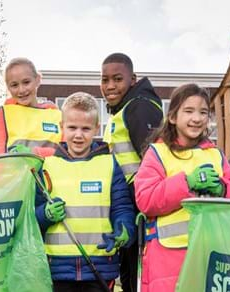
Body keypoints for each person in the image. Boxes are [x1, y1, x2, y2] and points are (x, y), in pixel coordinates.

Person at [134, 83, 230, 292]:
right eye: (189, 111)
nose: (197, 118)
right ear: (173, 117)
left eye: (203, 112)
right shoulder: (158, 153)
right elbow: (146, 200)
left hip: (212, 254)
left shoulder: (215, 154)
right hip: (168, 259)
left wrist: (223, 189)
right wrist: (187, 183)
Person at [34, 92, 136, 292]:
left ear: (97, 128)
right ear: (62, 127)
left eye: (86, 129)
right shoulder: (47, 165)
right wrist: (44, 214)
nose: (78, 135)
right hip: (56, 269)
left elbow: (122, 207)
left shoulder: (109, 163)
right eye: (72, 128)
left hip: (100, 267)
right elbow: (31, 217)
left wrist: (124, 230)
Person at [100, 52, 163, 292]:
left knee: (134, 278)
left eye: (117, 79)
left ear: (133, 79)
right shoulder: (124, 109)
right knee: (126, 276)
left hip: (139, 205)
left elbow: (153, 159)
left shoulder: (140, 108)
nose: (110, 86)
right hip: (127, 203)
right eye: (105, 80)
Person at [0, 57, 62, 157]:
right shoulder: (2, 116)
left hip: (53, 172)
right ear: (8, 88)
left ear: (38, 80)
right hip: (16, 172)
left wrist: (36, 153)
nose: (21, 90)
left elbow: (69, 154)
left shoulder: (58, 116)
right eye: (14, 85)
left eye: (26, 82)